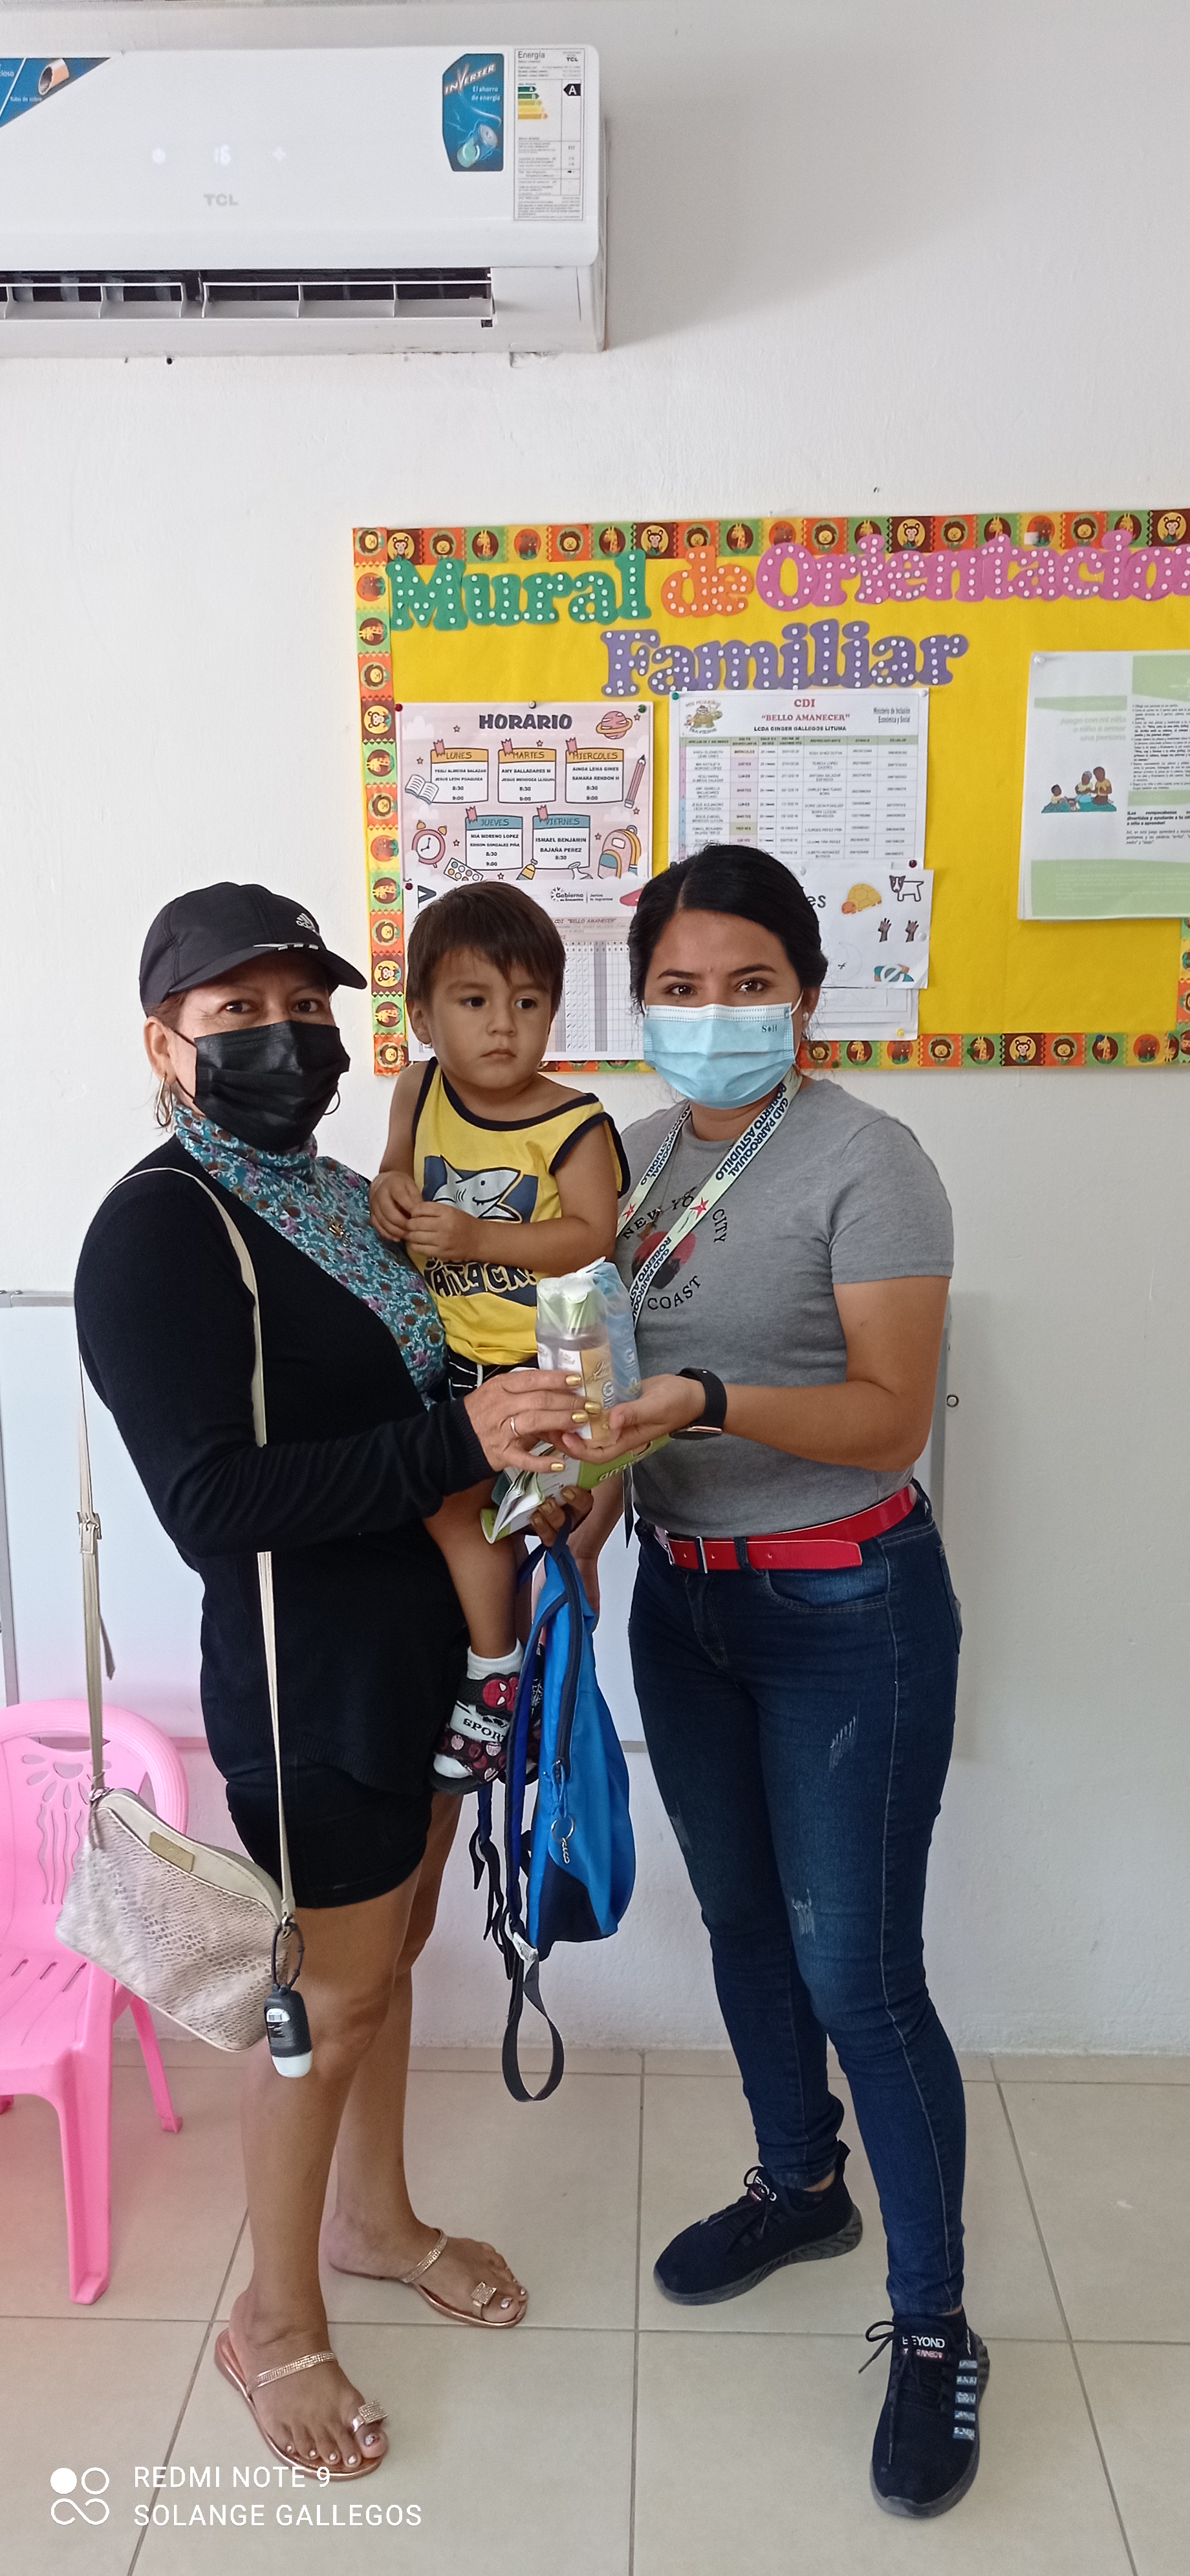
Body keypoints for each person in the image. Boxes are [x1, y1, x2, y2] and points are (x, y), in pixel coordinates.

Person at [74, 882, 591, 2480]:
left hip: (431, 1648)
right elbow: (211, 1504)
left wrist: (530, 1455)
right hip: (312, 1681)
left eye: (306, 1008)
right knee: (326, 1997)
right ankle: (272, 2318)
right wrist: (457, 1442)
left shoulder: (338, 1197)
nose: (284, 1037)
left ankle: (377, 2221)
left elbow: (424, 1383)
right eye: (237, 1013)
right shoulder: (160, 1229)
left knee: (393, 1957)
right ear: (163, 1044)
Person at [566, 847, 984, 2520]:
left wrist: (707, 1399)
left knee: (857, 1974)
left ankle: (935, 2324)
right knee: (743, 1923)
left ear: (806, 993)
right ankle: (801, 2185)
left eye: (749, 984)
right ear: (642, 1001)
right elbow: (603, 1386)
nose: (715, 1013)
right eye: (680, 986)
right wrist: (567, 1506)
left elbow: (886, 1418)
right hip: (684, 1605)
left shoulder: (869, 1161)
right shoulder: (623, 1161)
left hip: (845, 1606)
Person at [369, 883, 627, 1790]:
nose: (503, 1026)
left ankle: (508, 1679)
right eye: (474, 1000)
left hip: (559, 1359)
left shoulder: (574, 1121)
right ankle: (505, 1667)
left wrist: (479, 1237)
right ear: (422, 1017)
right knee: (456, 1506)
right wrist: (389, 1193)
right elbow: (394, 1171)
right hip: (460, 1360)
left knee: (537, 1523)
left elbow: (591, 1235)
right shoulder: (418, 1088)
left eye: (527, 1003)